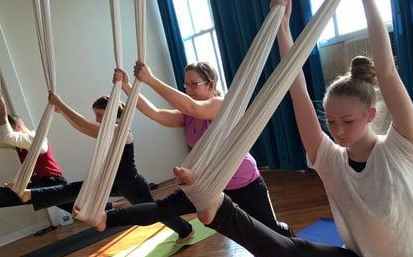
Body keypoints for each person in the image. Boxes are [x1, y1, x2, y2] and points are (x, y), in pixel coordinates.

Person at [172, 0, 413, 257]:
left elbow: (388, 73)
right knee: (295, 250)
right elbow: (297, 90)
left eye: (348, 121)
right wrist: (282, 27)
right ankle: (220, 211)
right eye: (331, 121)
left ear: (370, 114)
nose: (338, 130)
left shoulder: (400, 148)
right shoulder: (329, 158)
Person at [93, 61, 293, 236]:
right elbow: (156, 114)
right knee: (164, 208)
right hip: (207, 184)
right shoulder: (187, 116)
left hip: (243, 182)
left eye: (193, 84)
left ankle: (290, 239)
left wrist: (151, 79)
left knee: (270, 230)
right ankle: (106, 219)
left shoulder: (221, 105)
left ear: (211, 84)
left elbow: (192, 107)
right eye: (186, 84)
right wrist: (128, 87)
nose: (188, 89)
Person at [15, 91, 194, 240]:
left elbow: (84, 125)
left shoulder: (119, 130)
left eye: (99, 114)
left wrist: (61, 105)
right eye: (96, 115)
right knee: (75, 189)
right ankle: (32, 194)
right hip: (112, 182)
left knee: (154, 211)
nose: (96, 119)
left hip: (130, 183)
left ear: (111, 115)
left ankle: (185, 230)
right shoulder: (107, 132)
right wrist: (61, 112)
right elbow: (83, 127)